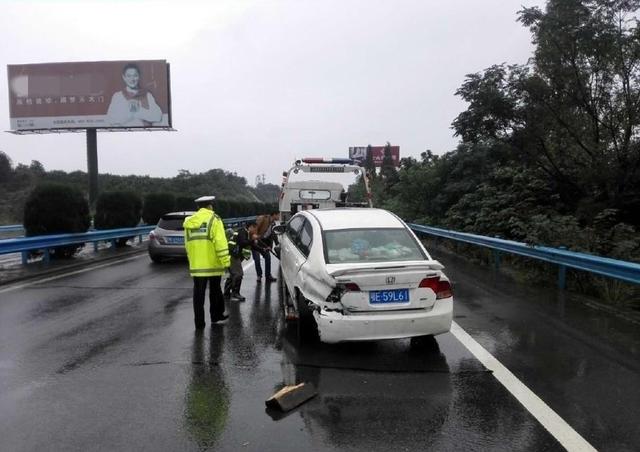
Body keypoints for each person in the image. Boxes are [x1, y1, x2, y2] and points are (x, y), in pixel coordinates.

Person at [183, 195, 230, 329]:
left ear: (198, 207)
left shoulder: (189, 221)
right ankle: (215, 316)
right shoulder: (214, 219)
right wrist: (226, 261)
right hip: (213, 265)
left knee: (198, 295)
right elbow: (220, 242)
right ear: (210, 206)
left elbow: (187, 244)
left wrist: (192, 260)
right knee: (215, 291)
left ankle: (199, 323)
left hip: (197, 266)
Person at [106, 63, 163, 127]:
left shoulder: (147, 95)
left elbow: (158, 117)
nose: (132, 79)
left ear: (139, 76)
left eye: (135, 75)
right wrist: (130, 113)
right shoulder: (118, 96)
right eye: (129, 76)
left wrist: (138, 111)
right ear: (124, 77)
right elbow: (110, 119)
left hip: (145, 133)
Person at [223, 222, 255, 301]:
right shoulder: (242, 232)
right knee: (238, 274)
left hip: (231, 254)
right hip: (233, 255)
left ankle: (226, 293)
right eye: (254, 228)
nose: (255, 230)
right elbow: (243, 243)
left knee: (233, 274)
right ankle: (235, 293)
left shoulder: (243, 232)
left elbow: (250, 245)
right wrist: (252, 240)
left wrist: (262, 249)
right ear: (250, 227)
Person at [252, 212, 279, 283]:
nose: (279, 216)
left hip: (264, 243)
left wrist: (274, 245)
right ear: (274, 214)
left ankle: (268, 275)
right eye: (278, 214)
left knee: (268, 258)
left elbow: (273, 236)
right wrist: (254, 239)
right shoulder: (262, 218)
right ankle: (259, 275)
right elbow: (255, 228)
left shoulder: (273, 224)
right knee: (257, 259)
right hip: (256, 242)